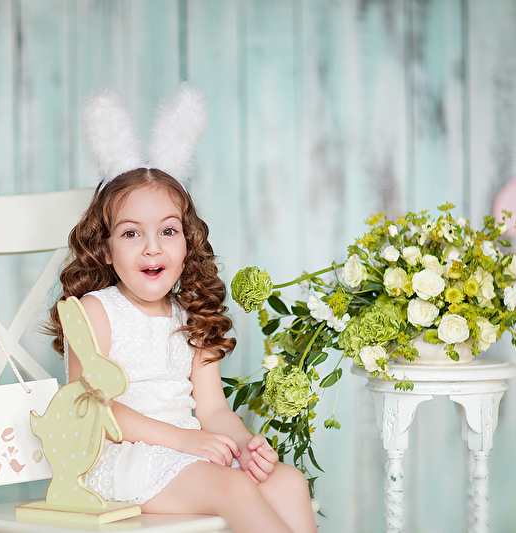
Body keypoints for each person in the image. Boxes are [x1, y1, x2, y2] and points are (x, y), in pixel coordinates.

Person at [47, 86, 316, 533]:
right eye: (131, 233)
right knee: (233, 488)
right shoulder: (95, 312)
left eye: (168, 231)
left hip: (189, 452)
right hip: (119, 459)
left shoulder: (190, 314)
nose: (152, 247)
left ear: (188, 242)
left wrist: (244, 444)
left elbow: (213, 411)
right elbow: (92, 410)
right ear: (106, 249)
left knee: (287, 481)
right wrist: (184, 441)